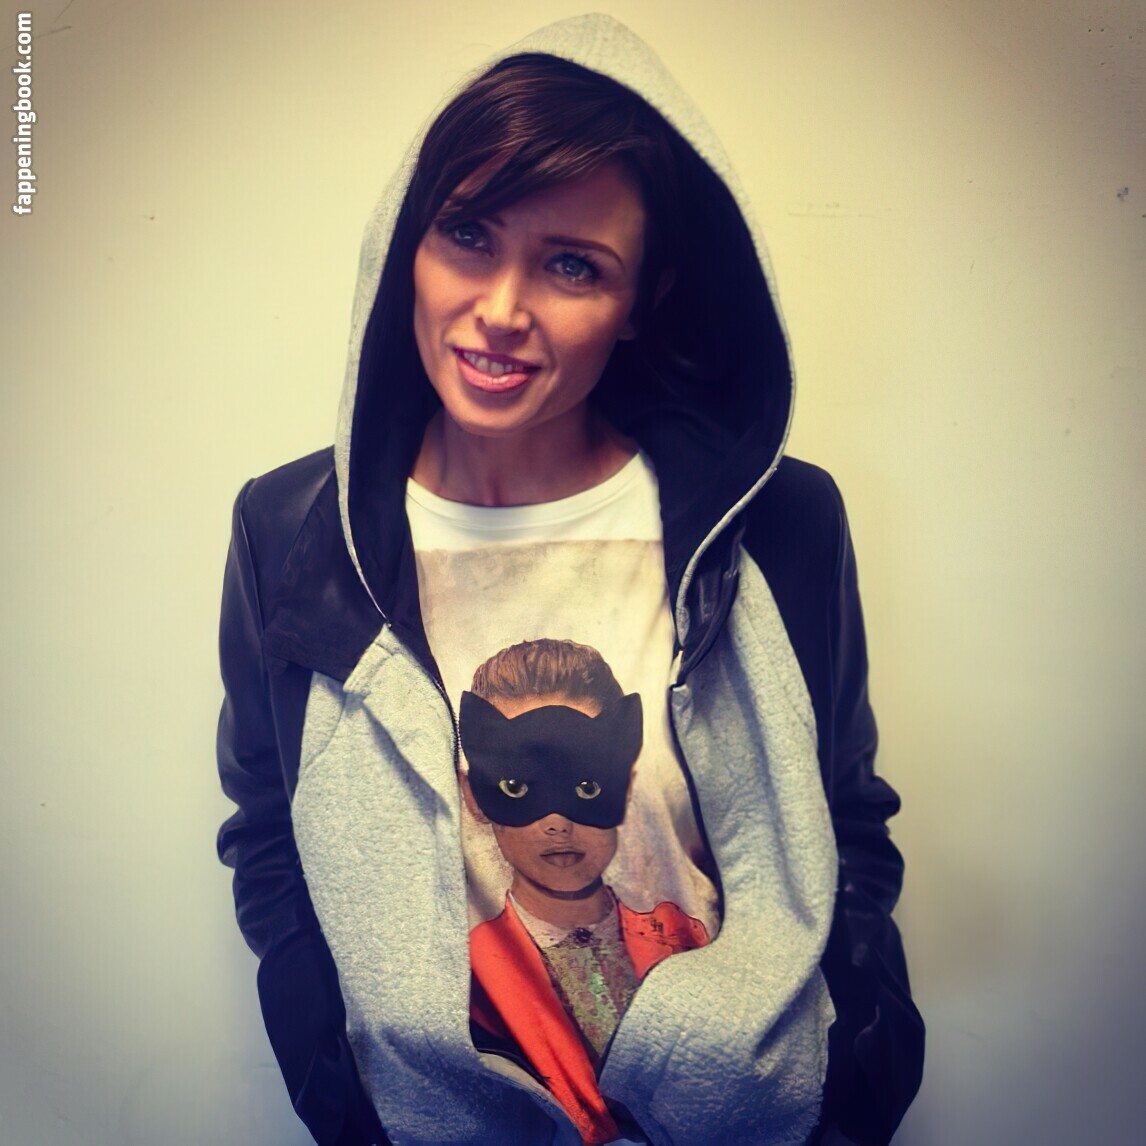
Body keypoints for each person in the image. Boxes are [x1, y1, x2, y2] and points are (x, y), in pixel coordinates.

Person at [216, 13, 924, 1146]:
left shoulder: (774, 522)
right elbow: (271, 838)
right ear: (407, 243)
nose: (501, 310)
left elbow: (845, 827)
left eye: (571, 265)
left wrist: (850, 1100)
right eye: (467, 233)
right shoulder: (291, 531)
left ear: (640, 299)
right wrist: (349, 1108)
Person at [460, 639, 710, 1145]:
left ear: (626, 784)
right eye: (518, 787)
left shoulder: (686, 939)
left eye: (588, 787)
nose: (557, 822)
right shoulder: (462, 976)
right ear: (474, 797)